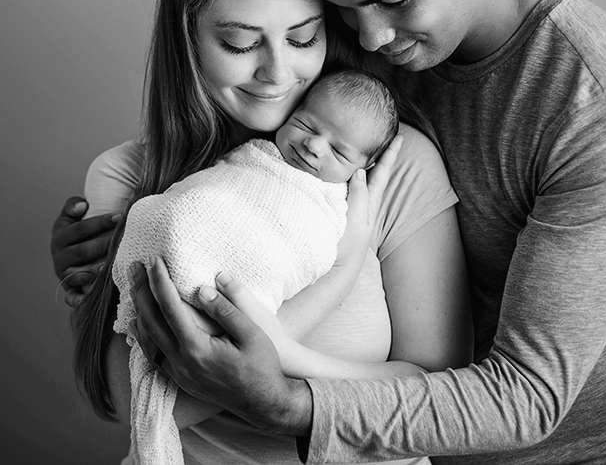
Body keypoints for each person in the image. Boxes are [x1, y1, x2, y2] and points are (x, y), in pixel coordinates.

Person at [125, 0, 606, 464]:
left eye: (393, 0)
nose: (370, 36)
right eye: (341, 10)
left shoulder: (601, 106)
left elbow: (530, 397)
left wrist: (287, 401)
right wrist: (133, 233)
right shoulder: (369, 49)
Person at [53, 0, 472, 465]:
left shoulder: (391, 165)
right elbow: (142, 404)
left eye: (304, 37)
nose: (278, 72)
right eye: (241, 42)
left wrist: (282, 387)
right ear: (189, 37)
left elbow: (440, 396)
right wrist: (334, 280)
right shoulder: (130, 176)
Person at [112, 70, 401, 464]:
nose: (314, 145)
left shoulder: (337, 208)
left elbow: (434, 383)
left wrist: (341, 266)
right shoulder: (250, 157)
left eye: (340, 152)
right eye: (305, 124)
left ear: (363, 168)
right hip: (175, 266)